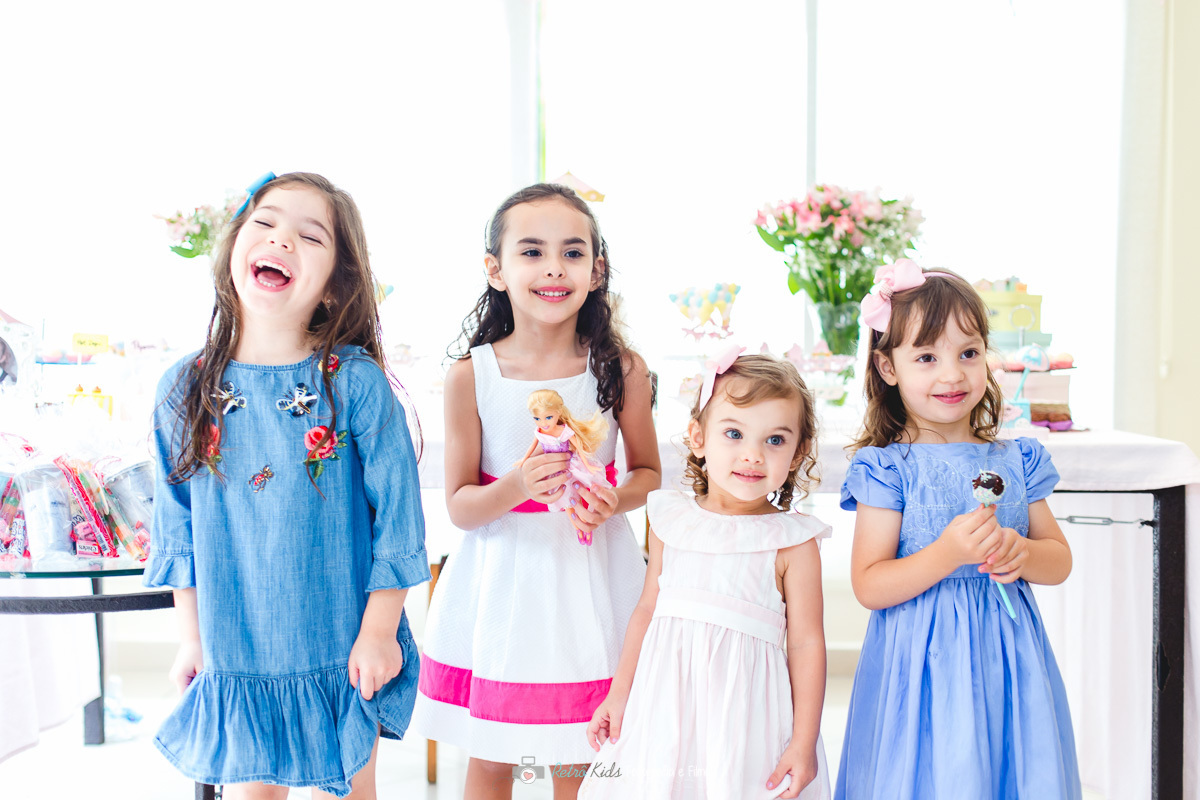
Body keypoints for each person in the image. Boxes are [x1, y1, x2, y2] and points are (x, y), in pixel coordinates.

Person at [145, 172, 429, 799]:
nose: (282, 241)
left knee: (355, 788)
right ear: (234, 248)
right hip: (237, 647)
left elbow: (399, 522)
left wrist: (381, 630)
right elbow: (178, 532)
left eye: (310, 236)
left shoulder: (354, 384)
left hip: (342, 639)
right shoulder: (182, 390)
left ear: (336, 286)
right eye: (266, 224)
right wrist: (190, 638)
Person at [409, 183, 660, 800]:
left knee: (580, 746)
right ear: (495, 269)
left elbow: (647, 473)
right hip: (504, 584)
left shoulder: (619, 368)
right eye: (531, 251)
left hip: (592, 575)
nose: (554, 267)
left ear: (596, 271)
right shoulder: (472, 376)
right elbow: (461, 508)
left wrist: (612, 499)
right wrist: (518, 484)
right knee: (494, 753)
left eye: (573, 253)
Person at [836, 260, 1080, 799]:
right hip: (921, 669)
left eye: (968, 354)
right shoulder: (888, 468)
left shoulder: (1016, 459)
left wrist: (1021, 551)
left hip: (1007, 662)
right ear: (888, 367)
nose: (952, 374)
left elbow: (1058, 561)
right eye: (926, 357)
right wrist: (947, 553)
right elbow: (870, 585)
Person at [580, 348, 831, 800]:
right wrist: (619, 695)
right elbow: (646, 612)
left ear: (798, 453)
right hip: (665, 708)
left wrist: (804, 740)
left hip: (746, 720)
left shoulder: (793, 542)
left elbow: (807, 643)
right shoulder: (672, 521)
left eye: (775, 440)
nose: (752, 455)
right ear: (698, 437)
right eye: (734, 433)